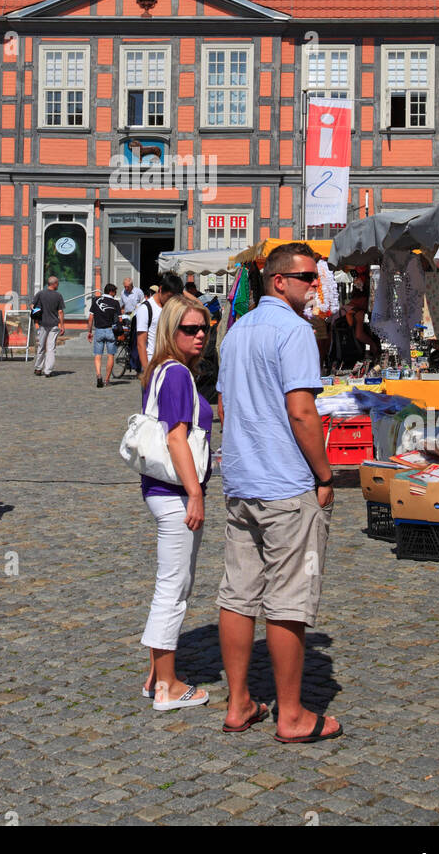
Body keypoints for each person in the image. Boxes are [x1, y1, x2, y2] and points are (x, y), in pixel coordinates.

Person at [216, 243, 342, 744]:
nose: (316, 284)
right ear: (278, 282)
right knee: (289, 599)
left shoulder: (237, 331)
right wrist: (325, 474)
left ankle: (238, 701)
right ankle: (290, 716)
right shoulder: (294, 331)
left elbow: (226, 406)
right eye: (307, 276)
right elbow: (302, 411)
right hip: (287, 483)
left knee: (239, 594)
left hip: (243, 480)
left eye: (316, 276)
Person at [139, 295, 213, 712]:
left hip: (161, 491)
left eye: (204, 328)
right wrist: (196, 493)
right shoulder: (178, 375)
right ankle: (167, 684)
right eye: (190, 329)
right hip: (175, 494)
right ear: (171, 330)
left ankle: (156, 675)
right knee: (174, 587)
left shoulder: (160, 372)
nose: (200, 335)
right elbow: (175, 437)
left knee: (172, 583)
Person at [136, 271, 184, 372]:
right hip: (153, 365)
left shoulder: (175, 307)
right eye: (169, 297)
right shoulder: (146, 309)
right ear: (160, 289)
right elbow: (141, 343)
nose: (171, 301)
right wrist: (146, 371)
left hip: (172, 364)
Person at [87, 283, 120, 388]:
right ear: (111, 291)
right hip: (110, 331)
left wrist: (89, 331)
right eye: (115, 292)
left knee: (98, 355)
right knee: (110, 356)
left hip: (99, 330)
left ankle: (98, 375)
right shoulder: (115, 303)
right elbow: (119, 319)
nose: (115, 294)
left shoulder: (96, 301)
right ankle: (106, 380)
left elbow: (91, 317)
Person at [32, 275, 66, 378]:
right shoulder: (58, 296)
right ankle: (48, 371)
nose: (58, 285)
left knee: (41, 346)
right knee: (51, 348)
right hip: (54, 324)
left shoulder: (40, 294)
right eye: (58, 283)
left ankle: (38, 368)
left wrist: (36, 318)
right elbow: (60, 311)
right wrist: (62, 325)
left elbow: (33, 306)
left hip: (42, 324)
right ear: (54, 284)